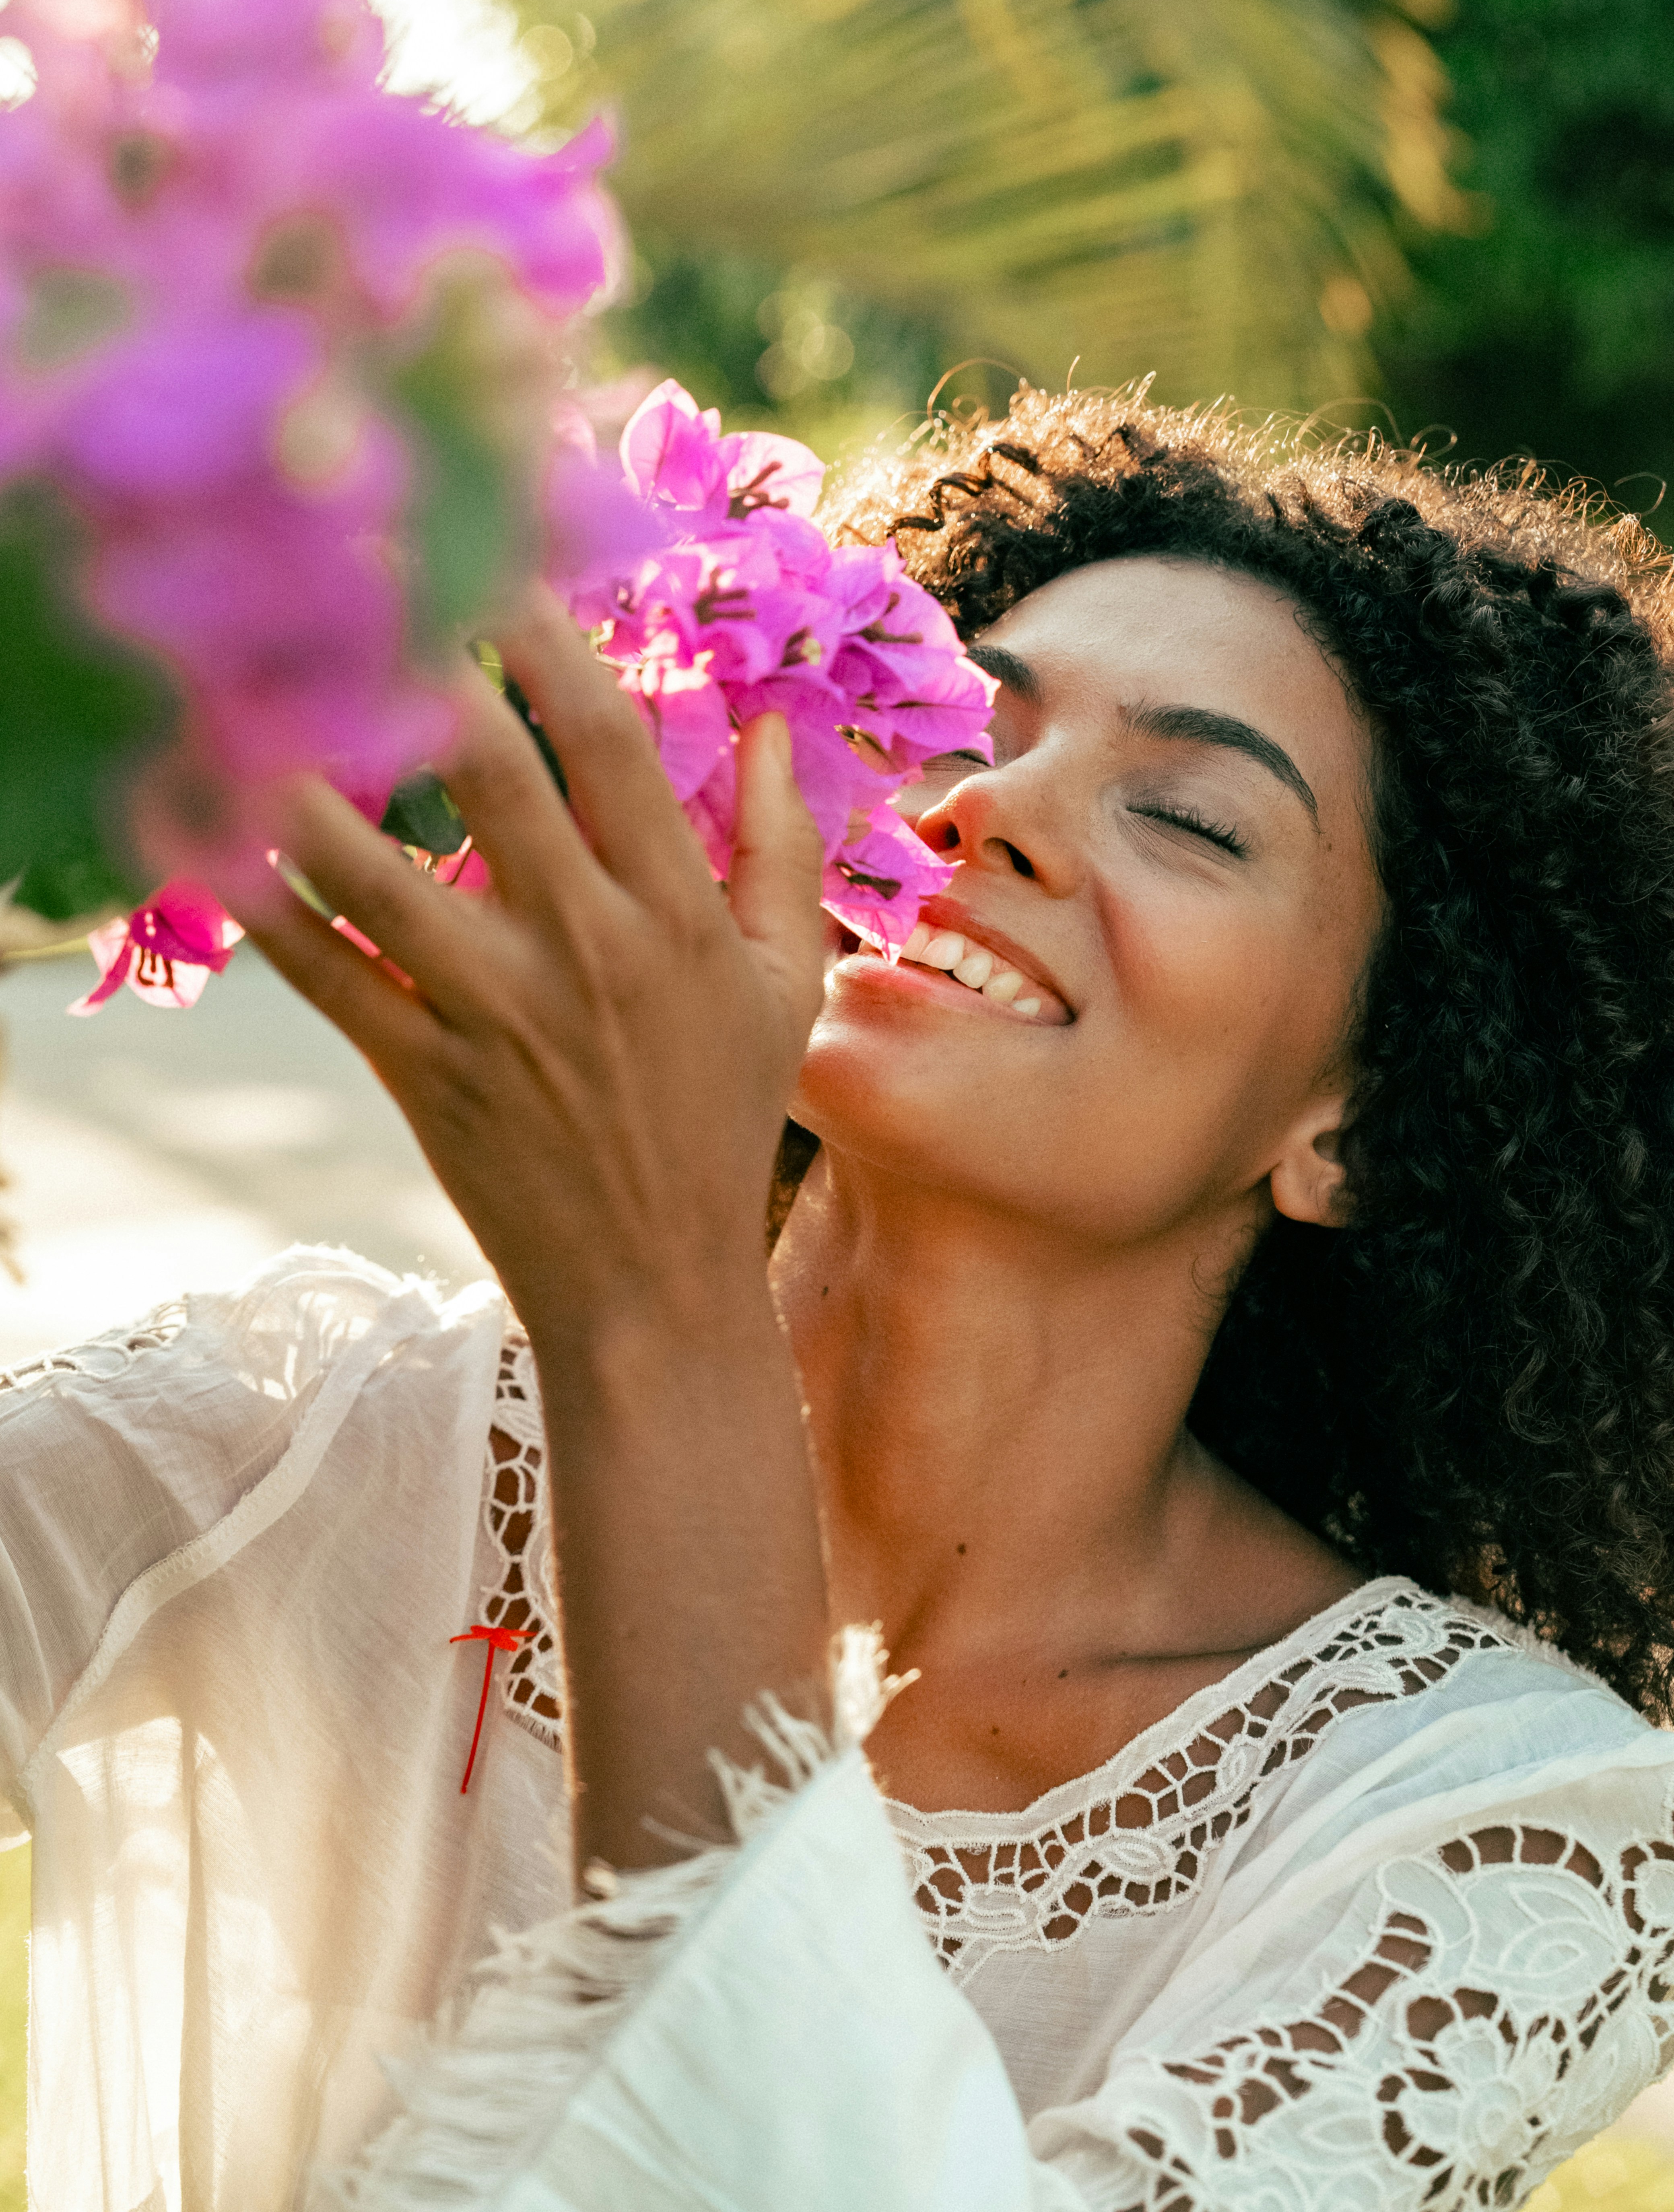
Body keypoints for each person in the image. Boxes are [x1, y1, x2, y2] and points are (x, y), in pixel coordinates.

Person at [6, 387, 1674, 2212]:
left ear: (1355, 1126)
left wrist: (649, 1314)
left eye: (1186, 819)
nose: (990, 807)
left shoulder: (1484, 1821)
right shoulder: (300, 1444)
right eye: (955, 708)